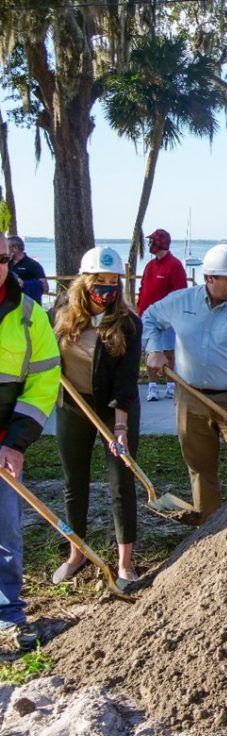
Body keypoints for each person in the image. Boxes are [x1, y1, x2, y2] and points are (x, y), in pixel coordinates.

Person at [142, 244, 227, 522]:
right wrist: (153, 349)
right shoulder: (181, 302)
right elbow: (150, 317)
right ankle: (210, 528)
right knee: (200, 467)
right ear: (210, 277)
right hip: (190, 397)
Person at [52, 246, 141, 587]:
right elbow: (45, 351)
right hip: (73, 406)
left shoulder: (129, 323)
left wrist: (120, 427)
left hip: (114, 409)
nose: (107, 288)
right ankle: (76, 554)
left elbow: (126, 379)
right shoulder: (61, 312)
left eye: (113, 280)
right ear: (84, 281)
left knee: (121, 483)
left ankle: (124, 564)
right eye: (99, 281)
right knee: (75, 482)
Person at [0, 231, 60, 651]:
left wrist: (15, 443)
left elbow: (42, 385)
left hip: (4, 441)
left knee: (6, 530)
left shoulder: (28, 315)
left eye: (0, 259)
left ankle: (6, 612)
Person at [137, 229, 188, 401]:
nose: (150, 245)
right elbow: (143, 289)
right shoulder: (150, 266)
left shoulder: (174, 265)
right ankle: (152, 387)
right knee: (151, 352)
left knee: (168, 352)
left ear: (161, 242)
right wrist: (139, 311)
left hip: (167, 320)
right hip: (147, 318)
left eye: (153, 241)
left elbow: (180, 294)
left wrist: (175, 317)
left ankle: (171, 385)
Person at [7, 235, 48, 303]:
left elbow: (45, 288)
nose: (5, 250)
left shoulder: (34, 265)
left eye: (7, 247)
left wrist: (24, 284)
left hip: (28, 305)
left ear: (15, 248)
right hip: (8, 304)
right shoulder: (5, 264)